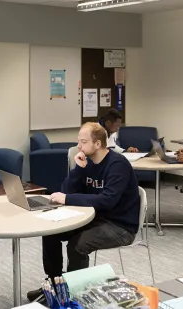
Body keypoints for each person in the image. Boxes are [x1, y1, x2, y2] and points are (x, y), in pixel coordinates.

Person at [27, 122, 140, 303]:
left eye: (83, 142)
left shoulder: (118, 165)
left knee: (77, 245)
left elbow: (107, 201)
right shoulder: (86, 162)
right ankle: (55, 285)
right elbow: (67, 191)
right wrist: (78, 170)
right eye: (79, 141)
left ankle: (74, 295)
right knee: (50, 232)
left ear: (98, 144)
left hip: (120, 225)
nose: (79, 146)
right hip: (94, 218)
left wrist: (67, 199)